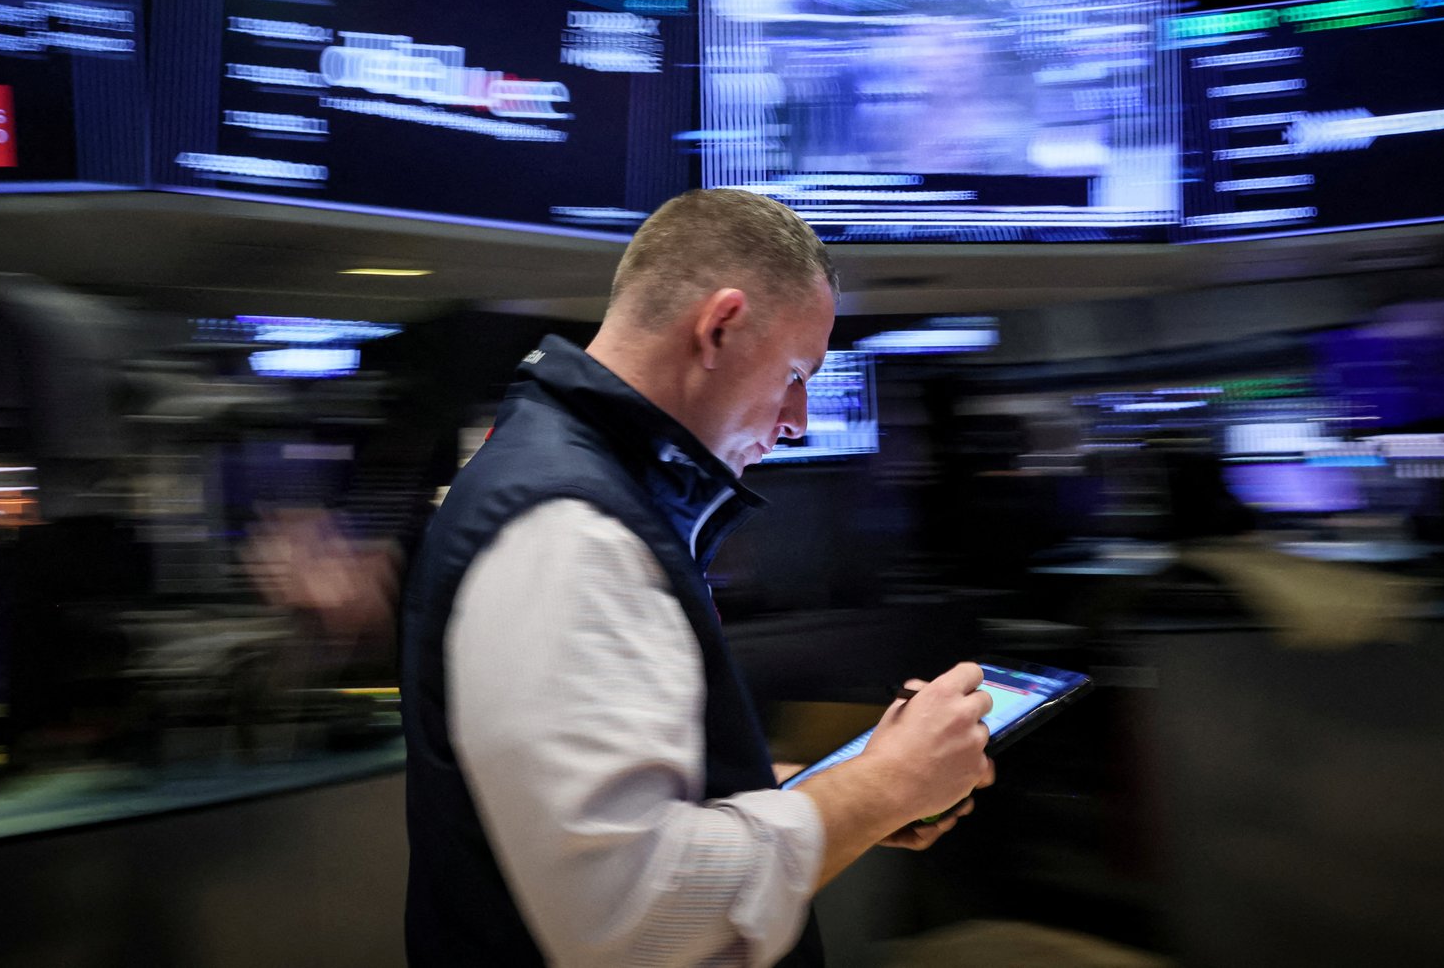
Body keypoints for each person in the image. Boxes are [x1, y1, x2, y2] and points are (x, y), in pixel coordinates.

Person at [399, 188, 996, 967]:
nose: (798, 418)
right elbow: (629, 915)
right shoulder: (570, 532)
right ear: (719, 327)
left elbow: (650, 802)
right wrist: (878, 789)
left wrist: (857, 783)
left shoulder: (580, 486)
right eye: (793, 373)